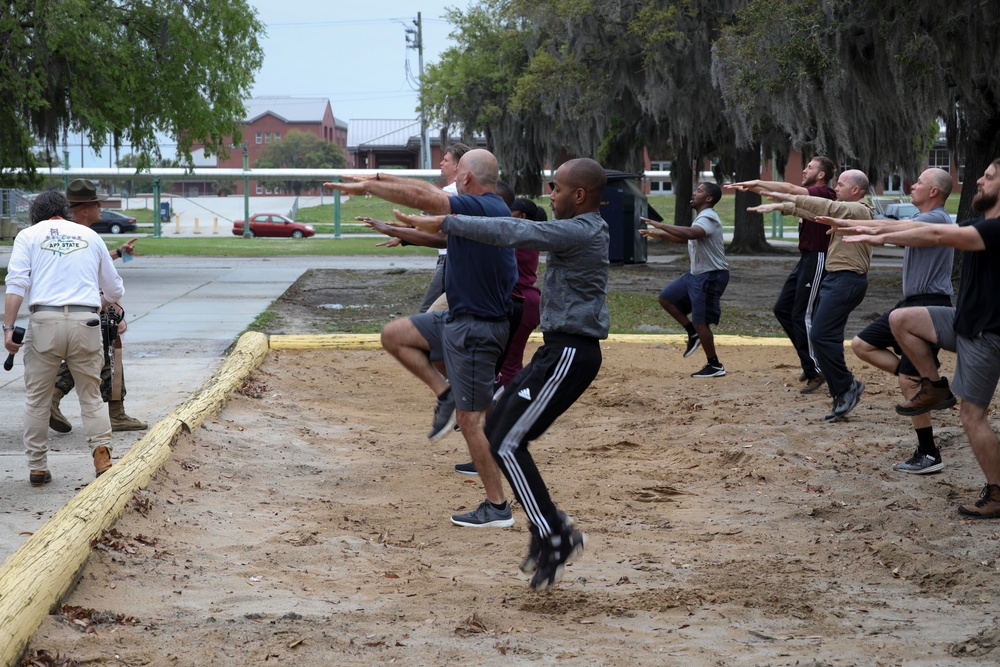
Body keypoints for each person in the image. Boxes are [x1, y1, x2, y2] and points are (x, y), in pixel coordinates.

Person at [395, 157, 608, 591]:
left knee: (508, 442)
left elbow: (516, 231)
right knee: (498, 433)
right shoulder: (580, 229)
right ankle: (553, 529)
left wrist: (448, 223)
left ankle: (552, 533)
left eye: (557, 189)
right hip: (557, 352)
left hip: (572, 353)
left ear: (579, 195)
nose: (550, 195)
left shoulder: (584, 230)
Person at [324, 150, 519, 528]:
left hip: (480, 328)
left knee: (471, 420)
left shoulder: (486, 207)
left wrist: (370, 186)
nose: (448, 180)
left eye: (455, 171)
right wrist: (382, 184)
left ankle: (497, 507)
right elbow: (429, 206)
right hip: (457, 318)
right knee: (395, 335)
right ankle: (444, 394)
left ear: (465, 179)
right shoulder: (473, 211)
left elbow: (425, 198)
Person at [833, 159, 1000, 517]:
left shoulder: (994, 229)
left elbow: (935, 234)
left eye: (988, 178)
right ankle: (934, 385)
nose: (980, 182)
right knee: (900, 320)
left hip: (989, 331)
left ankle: (995, 491)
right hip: (964, 322)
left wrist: (875, 234)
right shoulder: (980, 224)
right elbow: (910, 226)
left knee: (972, 416)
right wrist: (854, 224)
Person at [826, 168, 954, 473]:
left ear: (934, 191)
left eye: (919, 182)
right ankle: (923, 380)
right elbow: (890, 230)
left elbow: (890, 231)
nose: (912, 185)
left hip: (929, 305)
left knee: (907, 381)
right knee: (862, 345)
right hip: (910, 304)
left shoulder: (935, 218)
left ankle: (929, 454)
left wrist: (853, 224)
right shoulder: (921, 219)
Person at [3, 189, 125, 486]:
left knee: (37, 399)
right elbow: (114, 288)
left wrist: (8, 329)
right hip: (86, 320)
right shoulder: (89, 236)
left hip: (44, 320)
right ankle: (101, 455)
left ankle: (37, 466)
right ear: (65, 211)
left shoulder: (28, 236)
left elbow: (16, 284)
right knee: (91, 393)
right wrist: (103, 301)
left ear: (36, 213)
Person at [749, 170, 874, 420]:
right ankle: (843, 391)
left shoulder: (861, 210)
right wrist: (783, 206)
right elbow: (815, 213)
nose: (835, 188)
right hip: (836, 279)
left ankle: (847, 386)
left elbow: (824, 205)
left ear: (856, 190)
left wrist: (786, 197)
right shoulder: (844, 210)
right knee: (826, 337)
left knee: (819, 335)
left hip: (847, 281)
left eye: (840, 184)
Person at [727, 157, 836, 393]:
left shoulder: (823, 192)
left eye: (809, 167)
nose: (804, 169)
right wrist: (760, 189)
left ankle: (816, 369)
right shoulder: (812, 195)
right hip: (806, 258)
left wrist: (757, 181)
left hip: (818, 257)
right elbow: (789, 197)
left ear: (821, 175)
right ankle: (810, 363)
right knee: (783, 310)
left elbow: (788, 188)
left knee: (802, 315)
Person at [49, 179, 145, 434]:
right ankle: (110, 413)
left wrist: (118, 252)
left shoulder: (59, 235)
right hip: (86, 308)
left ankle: (58, 400)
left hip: (58, 311)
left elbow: (92, 261)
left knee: (99, 355)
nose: (102, 206)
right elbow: (97, 276)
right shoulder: (84, 235)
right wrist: (106, 303)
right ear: (84, 209)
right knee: (99, 355)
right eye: (97, 203)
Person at [640, 182, 730, 378]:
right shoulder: (701, 218)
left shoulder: (708, 217)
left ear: (708, 199)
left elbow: (690, 233)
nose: (693, 193)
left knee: (701, 321)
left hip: (711, 275)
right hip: (696, 274)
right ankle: (692, 333)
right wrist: (659, 235)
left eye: (699, 191)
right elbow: (687, 238)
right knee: (666, 298)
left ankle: (714, 365)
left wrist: (659, 224)